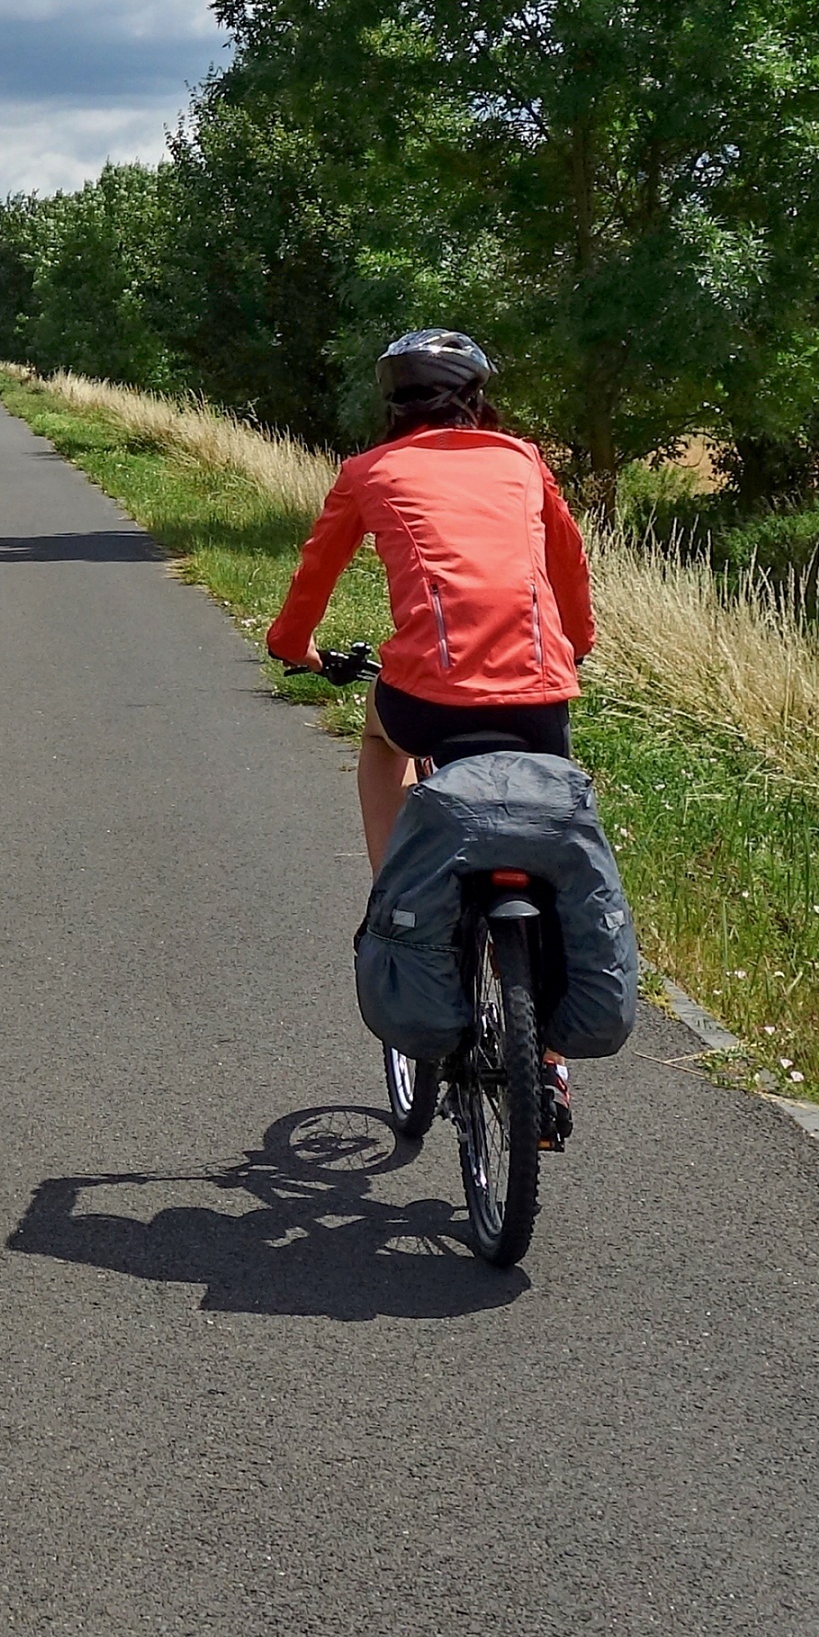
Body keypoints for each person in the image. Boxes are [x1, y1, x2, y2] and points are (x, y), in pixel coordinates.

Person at [263, 328, 596, 1137]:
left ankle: (399, 900)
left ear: (392, 405)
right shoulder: (520, 459)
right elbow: (567, 562)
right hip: (539, 696)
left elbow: (316, 572)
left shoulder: (369, 471)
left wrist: (292, 647)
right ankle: (548, 1063)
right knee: (540, 835)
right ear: (476, 399)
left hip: (429, 699)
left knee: (383, 745)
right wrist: (574, 643)